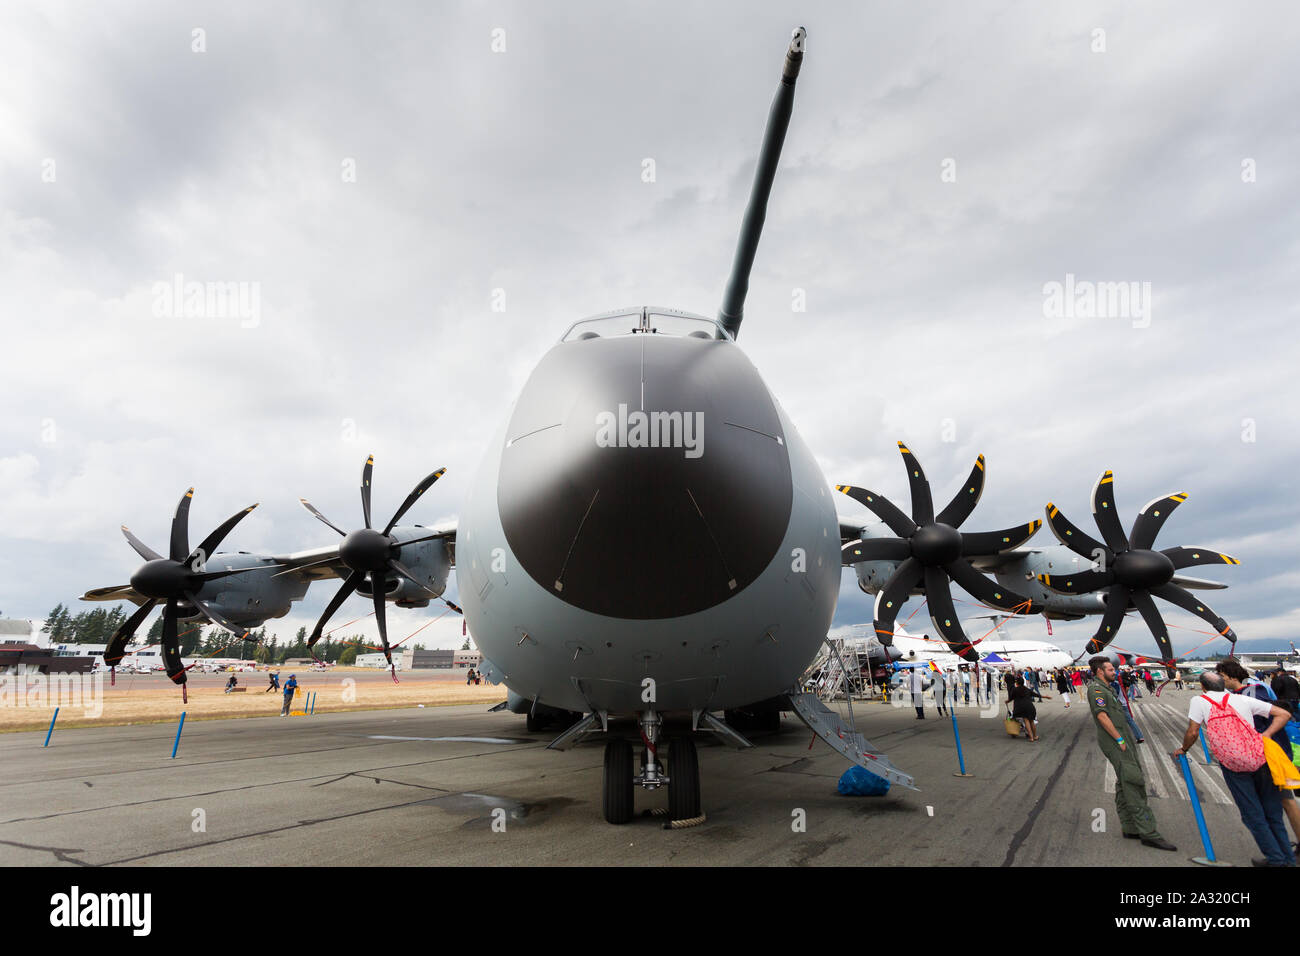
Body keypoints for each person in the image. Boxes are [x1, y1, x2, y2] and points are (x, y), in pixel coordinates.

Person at [1173, 671, 1295, 866]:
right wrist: (1267, 735)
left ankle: (1276, 860)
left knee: (1253, 815)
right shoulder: (1241, 699)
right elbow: (1284, 714)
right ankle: (1287, 859)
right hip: (1260, 760)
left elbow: (1193, 731)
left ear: (1203, 687)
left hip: (1234, 766)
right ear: (1223, 685)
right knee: (1273, 813)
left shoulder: (1199, 701)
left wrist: (1184, 748)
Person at [1087, 656, 1175, 851]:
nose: (1115, 672)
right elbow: (1102, 715)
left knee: (1123, 782)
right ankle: (1148, 832)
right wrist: (1119, 739)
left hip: (1123, 737)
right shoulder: (1097, 690)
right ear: (1100, 671)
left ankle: (1130, 826)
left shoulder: (1107, 687)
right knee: (1133, 781)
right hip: (1116, 741)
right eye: (1110, 670)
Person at [1217, 659, 1300, 849]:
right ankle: (1281, 847)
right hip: (1270, 750)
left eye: (1222, 676)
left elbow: (1267, 717)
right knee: (1282, 801)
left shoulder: (1250, 692)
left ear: (1230, 675)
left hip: (1269, 753)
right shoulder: (1253, 688)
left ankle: (1282, 849)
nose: (1221, 681)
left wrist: (1265, 736)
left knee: (1285, 800)